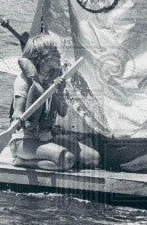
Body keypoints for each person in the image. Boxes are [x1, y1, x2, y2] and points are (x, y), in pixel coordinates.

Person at [11, 33, 99, 171]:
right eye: (54, 51)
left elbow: (62, 112)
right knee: (67, 160)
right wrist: (18, 115)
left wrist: (60, 92)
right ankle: (21, 161)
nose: (59, 54)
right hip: (24, 141)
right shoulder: (24, 80)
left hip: (46, 138)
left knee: (93, 158)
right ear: (41, 57)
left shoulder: (53, 80)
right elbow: (18, 110)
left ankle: (53, 158)